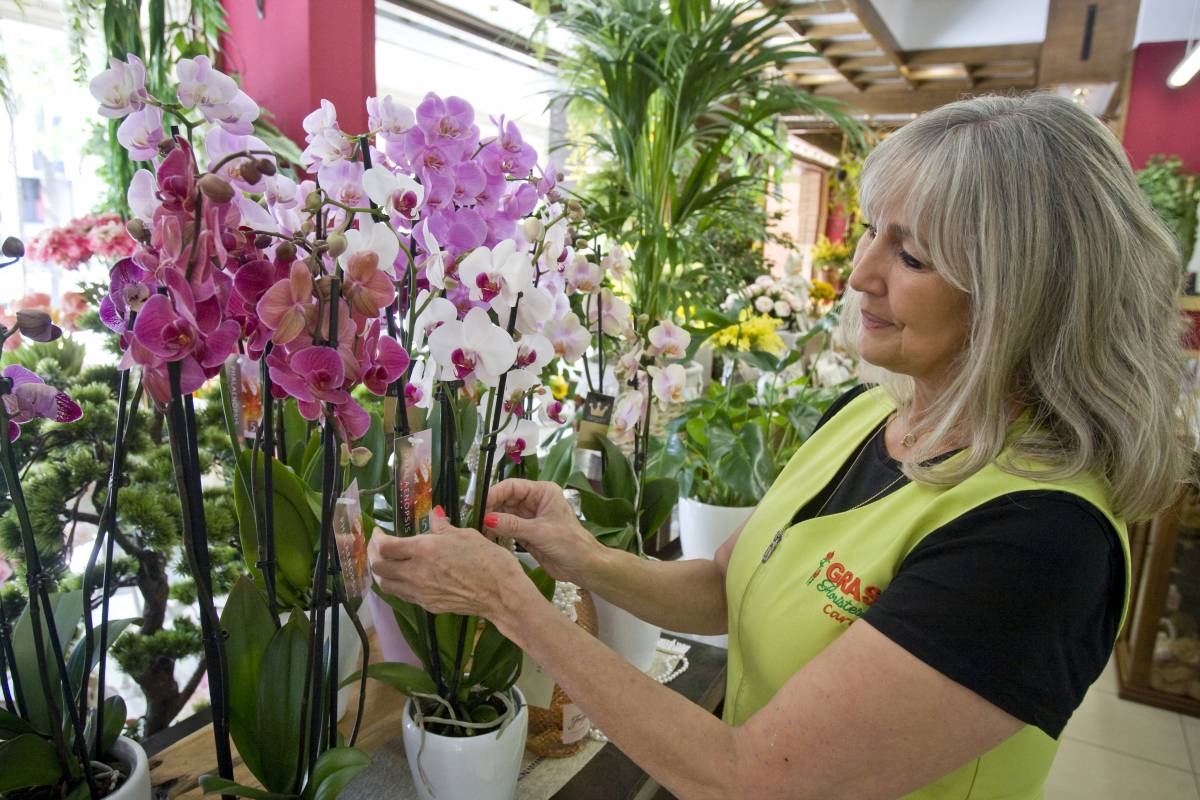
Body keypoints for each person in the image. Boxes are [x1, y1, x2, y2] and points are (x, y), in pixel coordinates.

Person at [368, 93, 1194, 799]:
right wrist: (579, 556)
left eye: (911, 254)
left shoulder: (1039, 542)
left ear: (1027, 298)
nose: (861, 271)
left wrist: (508, 604)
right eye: (872, 231)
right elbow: (729, 586)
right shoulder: (866, 417)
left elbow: (748, 778)